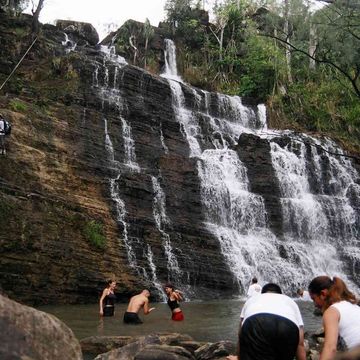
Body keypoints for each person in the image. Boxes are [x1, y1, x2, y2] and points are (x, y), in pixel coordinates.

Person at [227, 283, 306, 360]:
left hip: (255, 321)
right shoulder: (291, 302)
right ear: (281, 294)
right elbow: (300, 342)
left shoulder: (253, 300)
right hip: (288, 325)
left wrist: (239, 357)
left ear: (262, 294)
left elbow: (240, 333)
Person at [308, 276, 360, 359]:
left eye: (314, 299)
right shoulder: (354, 306)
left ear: (323, 294)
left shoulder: (331, 312)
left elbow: (330, 348)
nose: (315, 304)